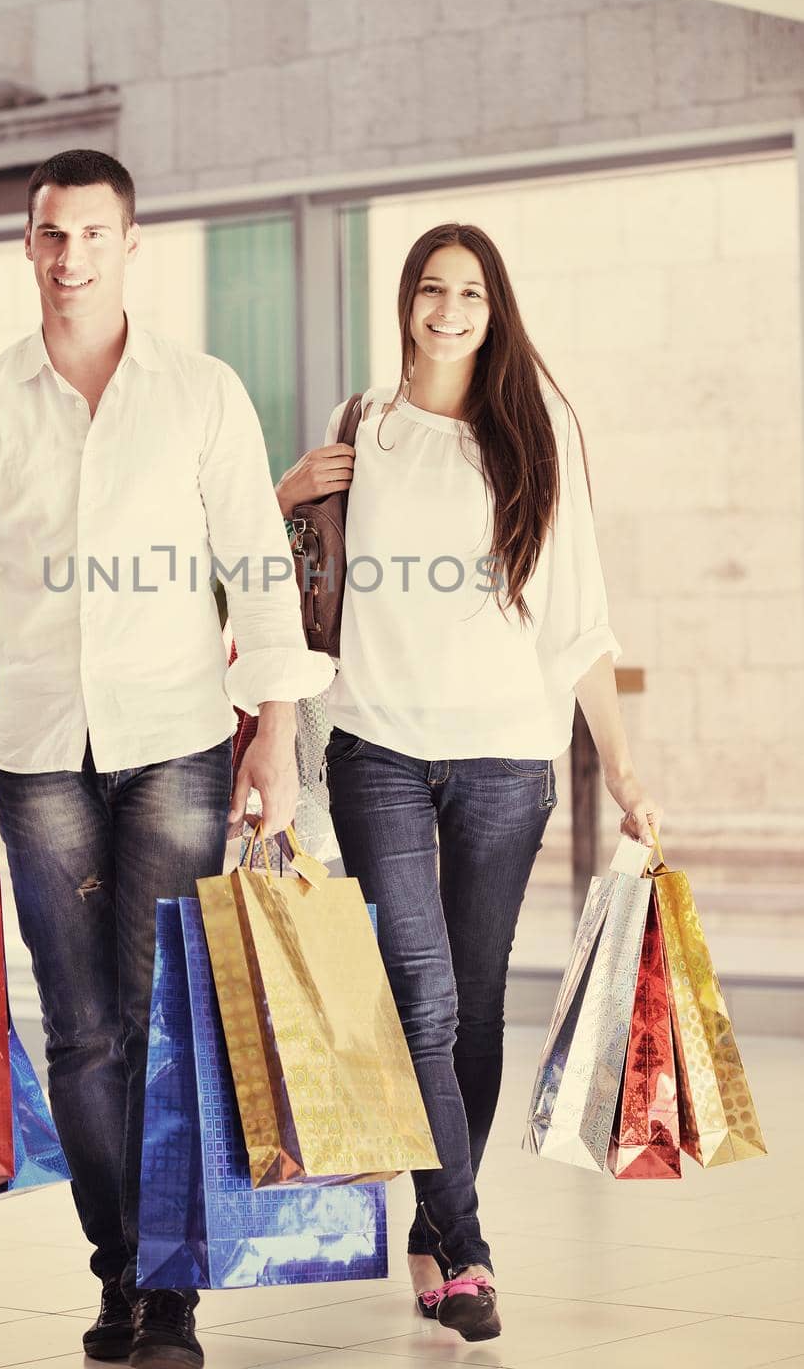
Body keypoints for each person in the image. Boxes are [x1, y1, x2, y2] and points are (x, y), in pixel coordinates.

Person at [0, 149, 332, 1369]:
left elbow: (259, 563)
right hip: (36, 757)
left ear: (133, 246)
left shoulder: (201, 394)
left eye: (89, 234)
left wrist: (274, 732)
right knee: (81, 1032)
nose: (68, 256)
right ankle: (121, 1265)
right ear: (28, 247)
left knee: (160, 1018)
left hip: (177, 741)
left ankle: (170, 1291)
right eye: (48, 235)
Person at [275, 222, 663, 1344]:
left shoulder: (536, 433)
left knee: (477, 1009)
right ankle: (468, 1243)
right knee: (422, 999)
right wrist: (286, 491)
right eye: (432, 290)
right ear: (405, 302)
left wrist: (626, 769)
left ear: (497, 312)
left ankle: (432, 1234)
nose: (449, 311)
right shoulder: (363, 428)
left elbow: (580, 621)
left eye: (472, 295)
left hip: (507, 753)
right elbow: (275, 586)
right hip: (377, 750)